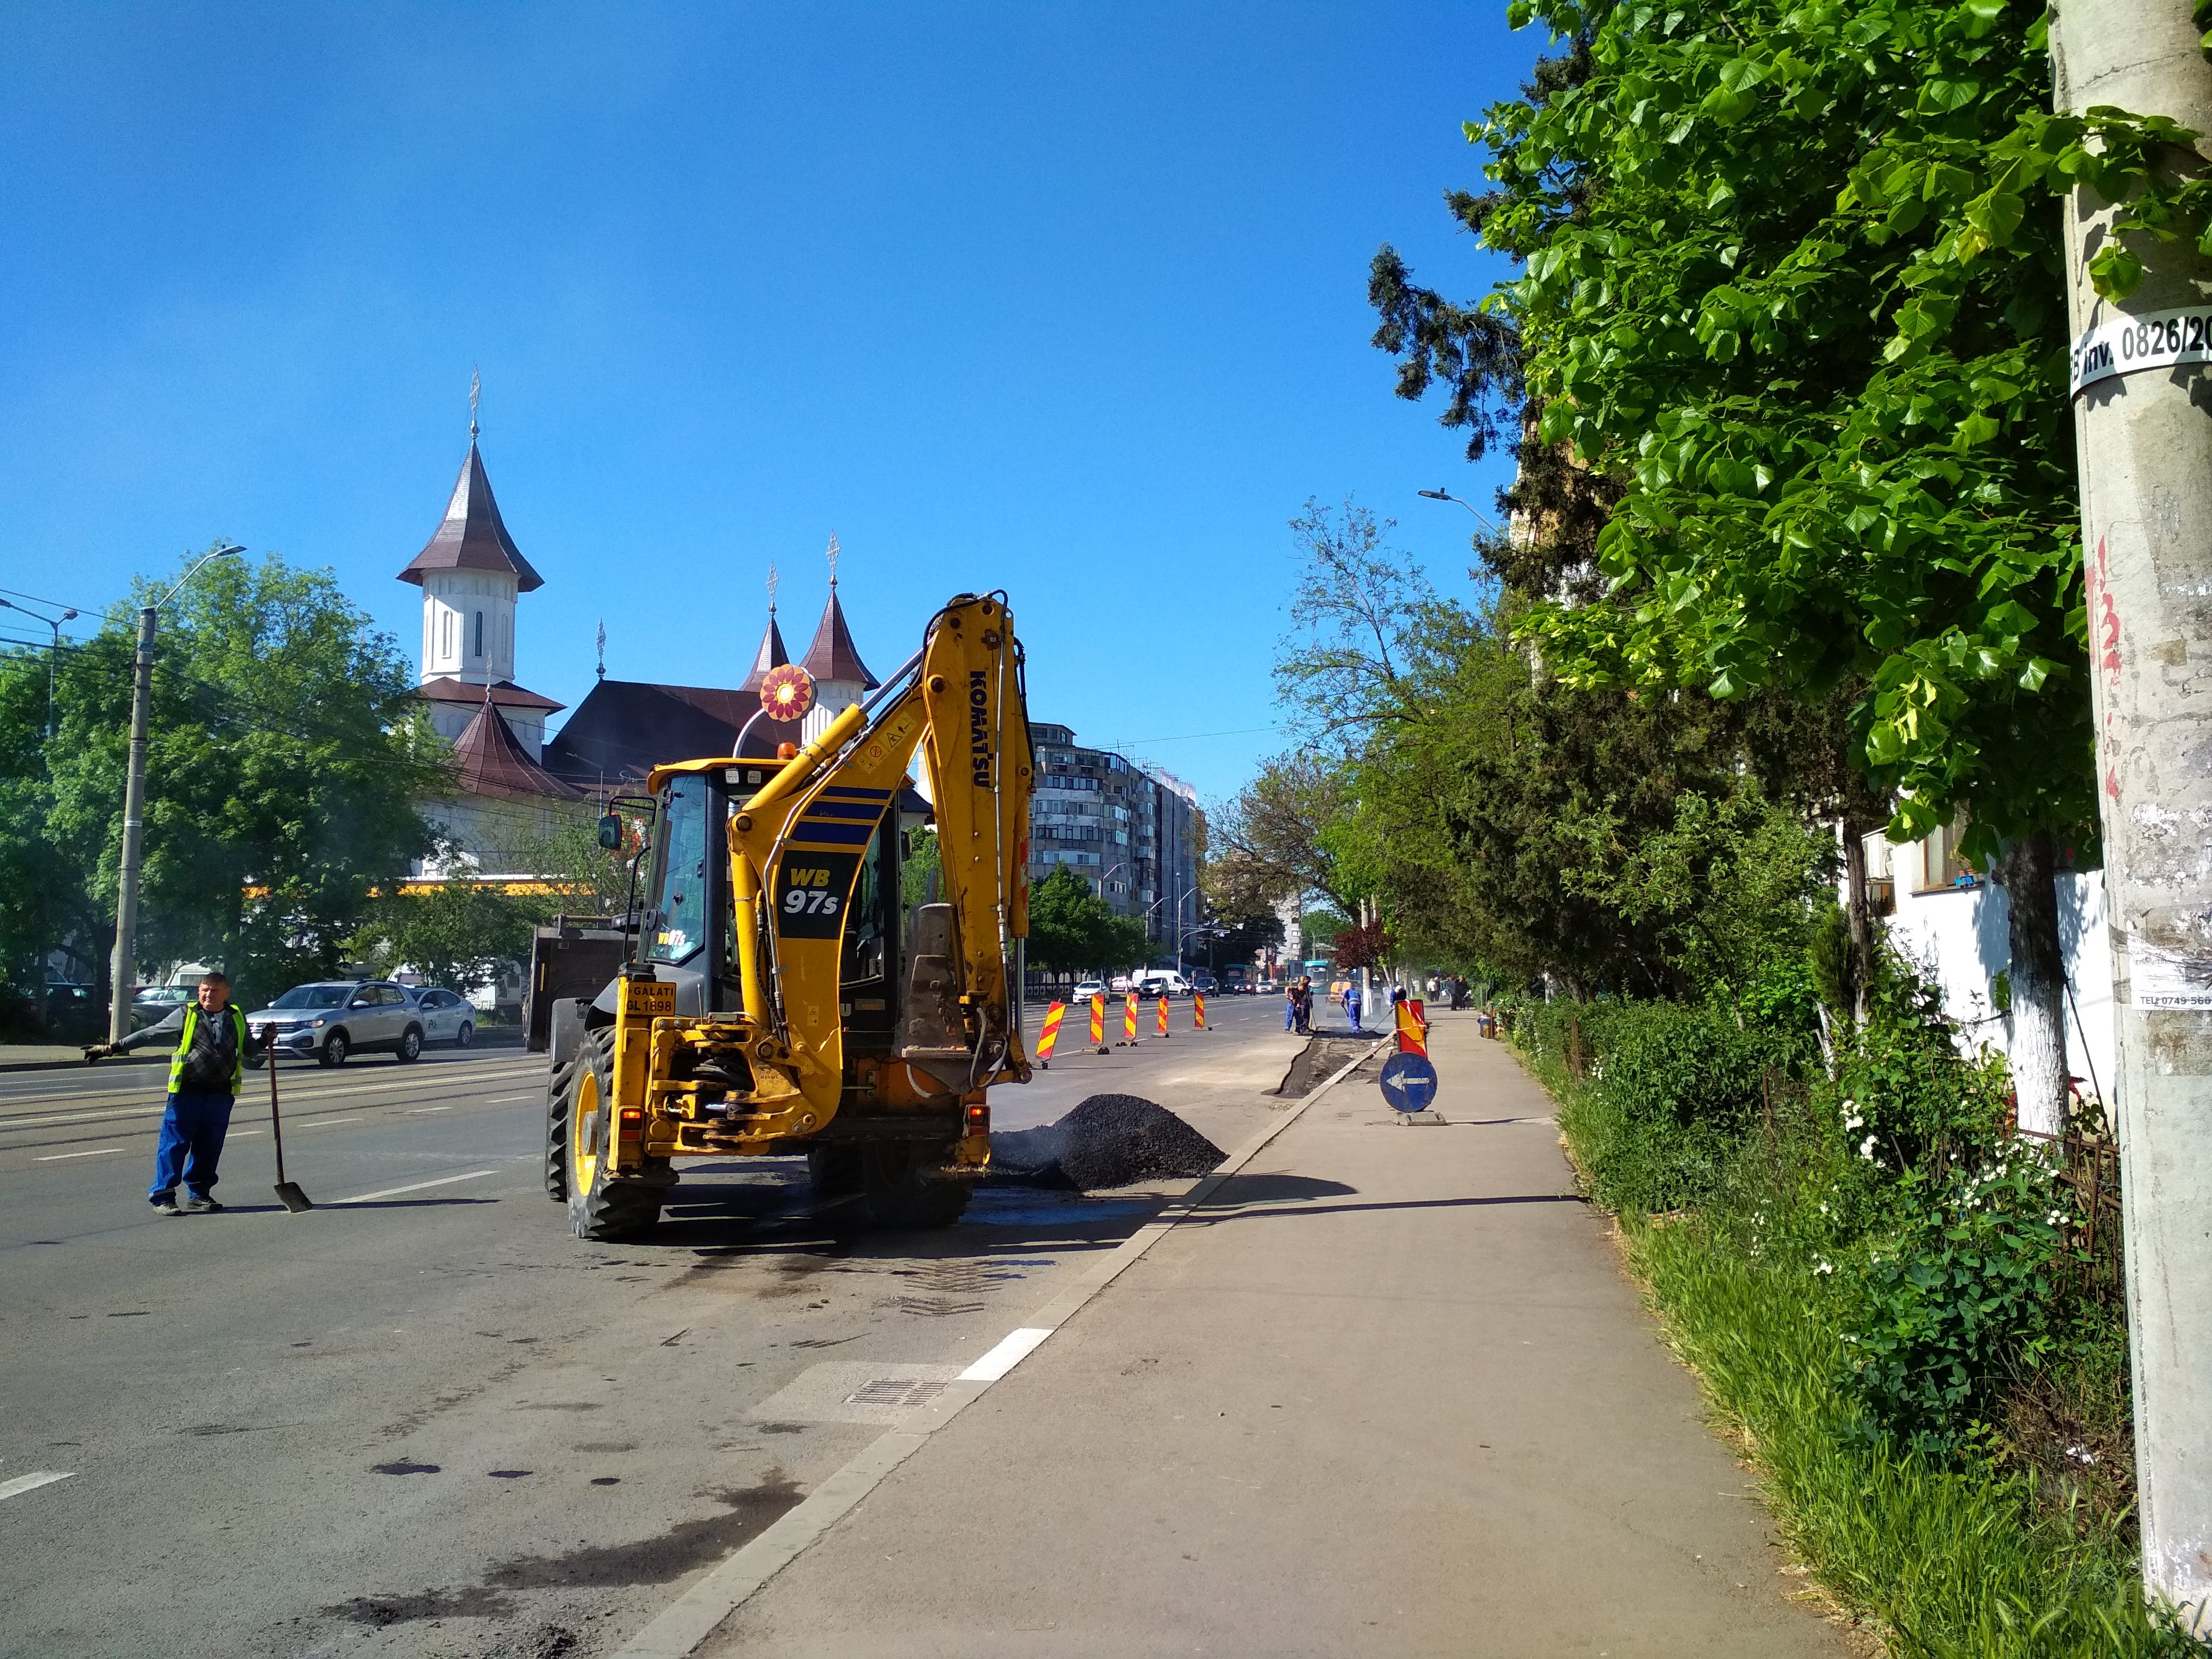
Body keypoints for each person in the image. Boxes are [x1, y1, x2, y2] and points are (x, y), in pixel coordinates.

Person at [87, 970, 249, 1216]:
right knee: (174, 1146)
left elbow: (250, 1049)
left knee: (209, 1147)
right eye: (204, 990)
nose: (208, 995)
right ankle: (162, 1197)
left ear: (226, 993)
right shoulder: (187, 1014)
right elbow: (151, 1033)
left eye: (214, 991)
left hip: (220, 1095)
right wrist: (112, 1049)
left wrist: (266, 1038)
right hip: (187, 1093)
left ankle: (199, 1194)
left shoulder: (236, 1017)